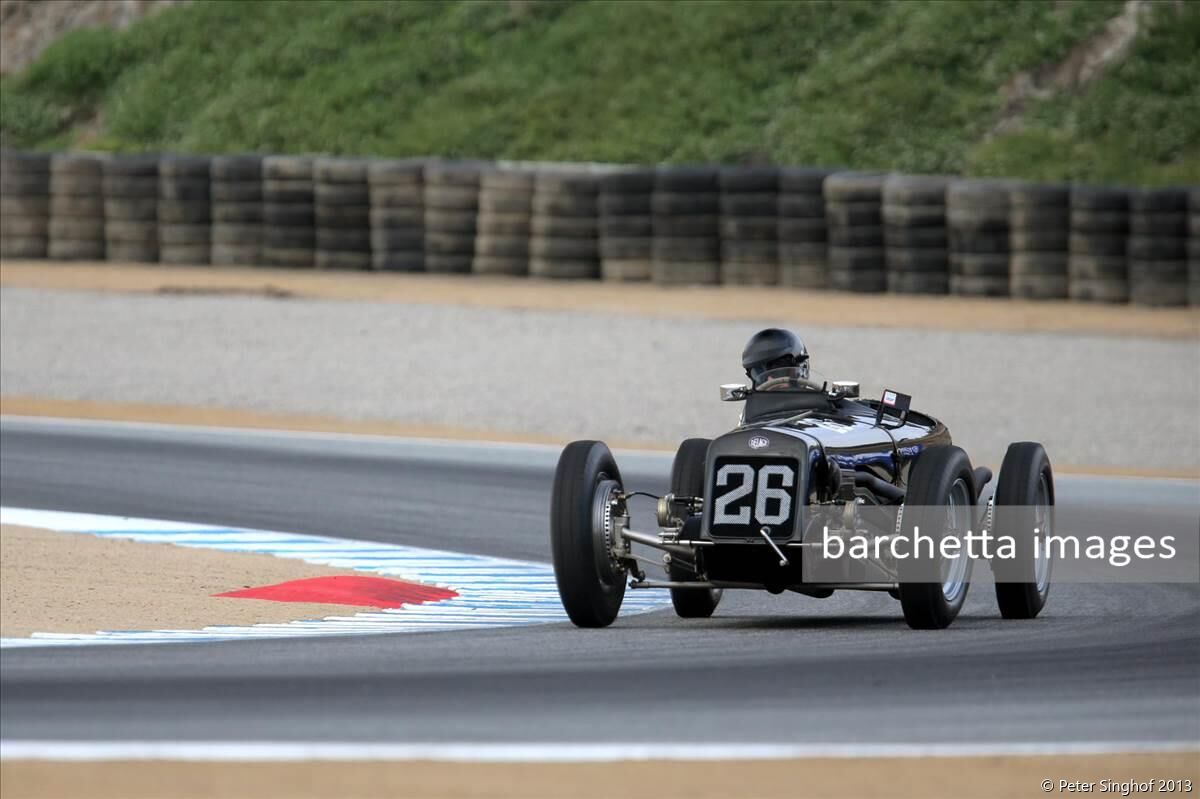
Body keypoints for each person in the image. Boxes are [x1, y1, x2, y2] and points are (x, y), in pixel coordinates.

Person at [741, 328, 813, 392]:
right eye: (759, 373)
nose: (770, 380)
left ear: (801, 367)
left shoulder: (820, 404)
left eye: (778, 370)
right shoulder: (753, 406)